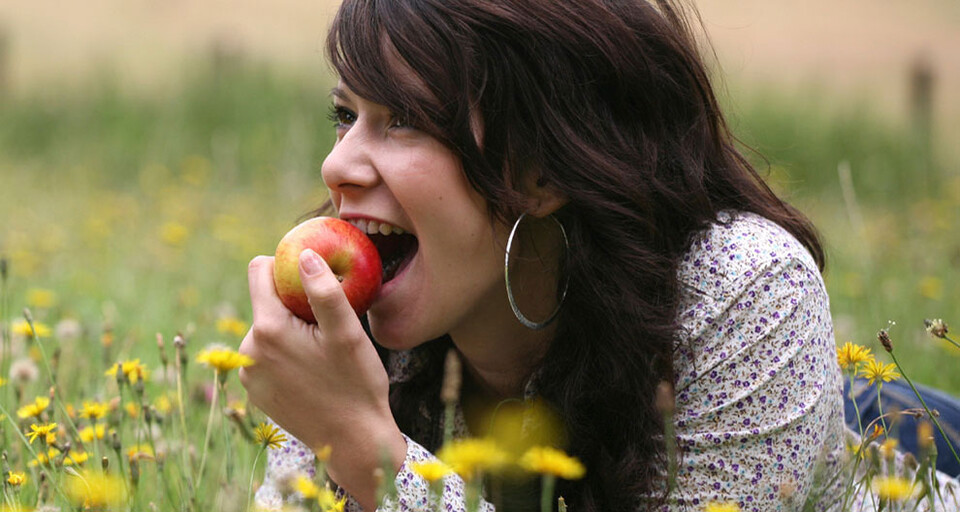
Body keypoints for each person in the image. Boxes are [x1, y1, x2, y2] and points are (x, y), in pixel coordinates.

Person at [238, 0, 960, 510]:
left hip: (896, 445)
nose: (338, 166)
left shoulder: (743, 293)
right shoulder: (349, 326)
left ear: (542, 173)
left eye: (404, 121)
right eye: (346, 116)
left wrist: (368, 452)